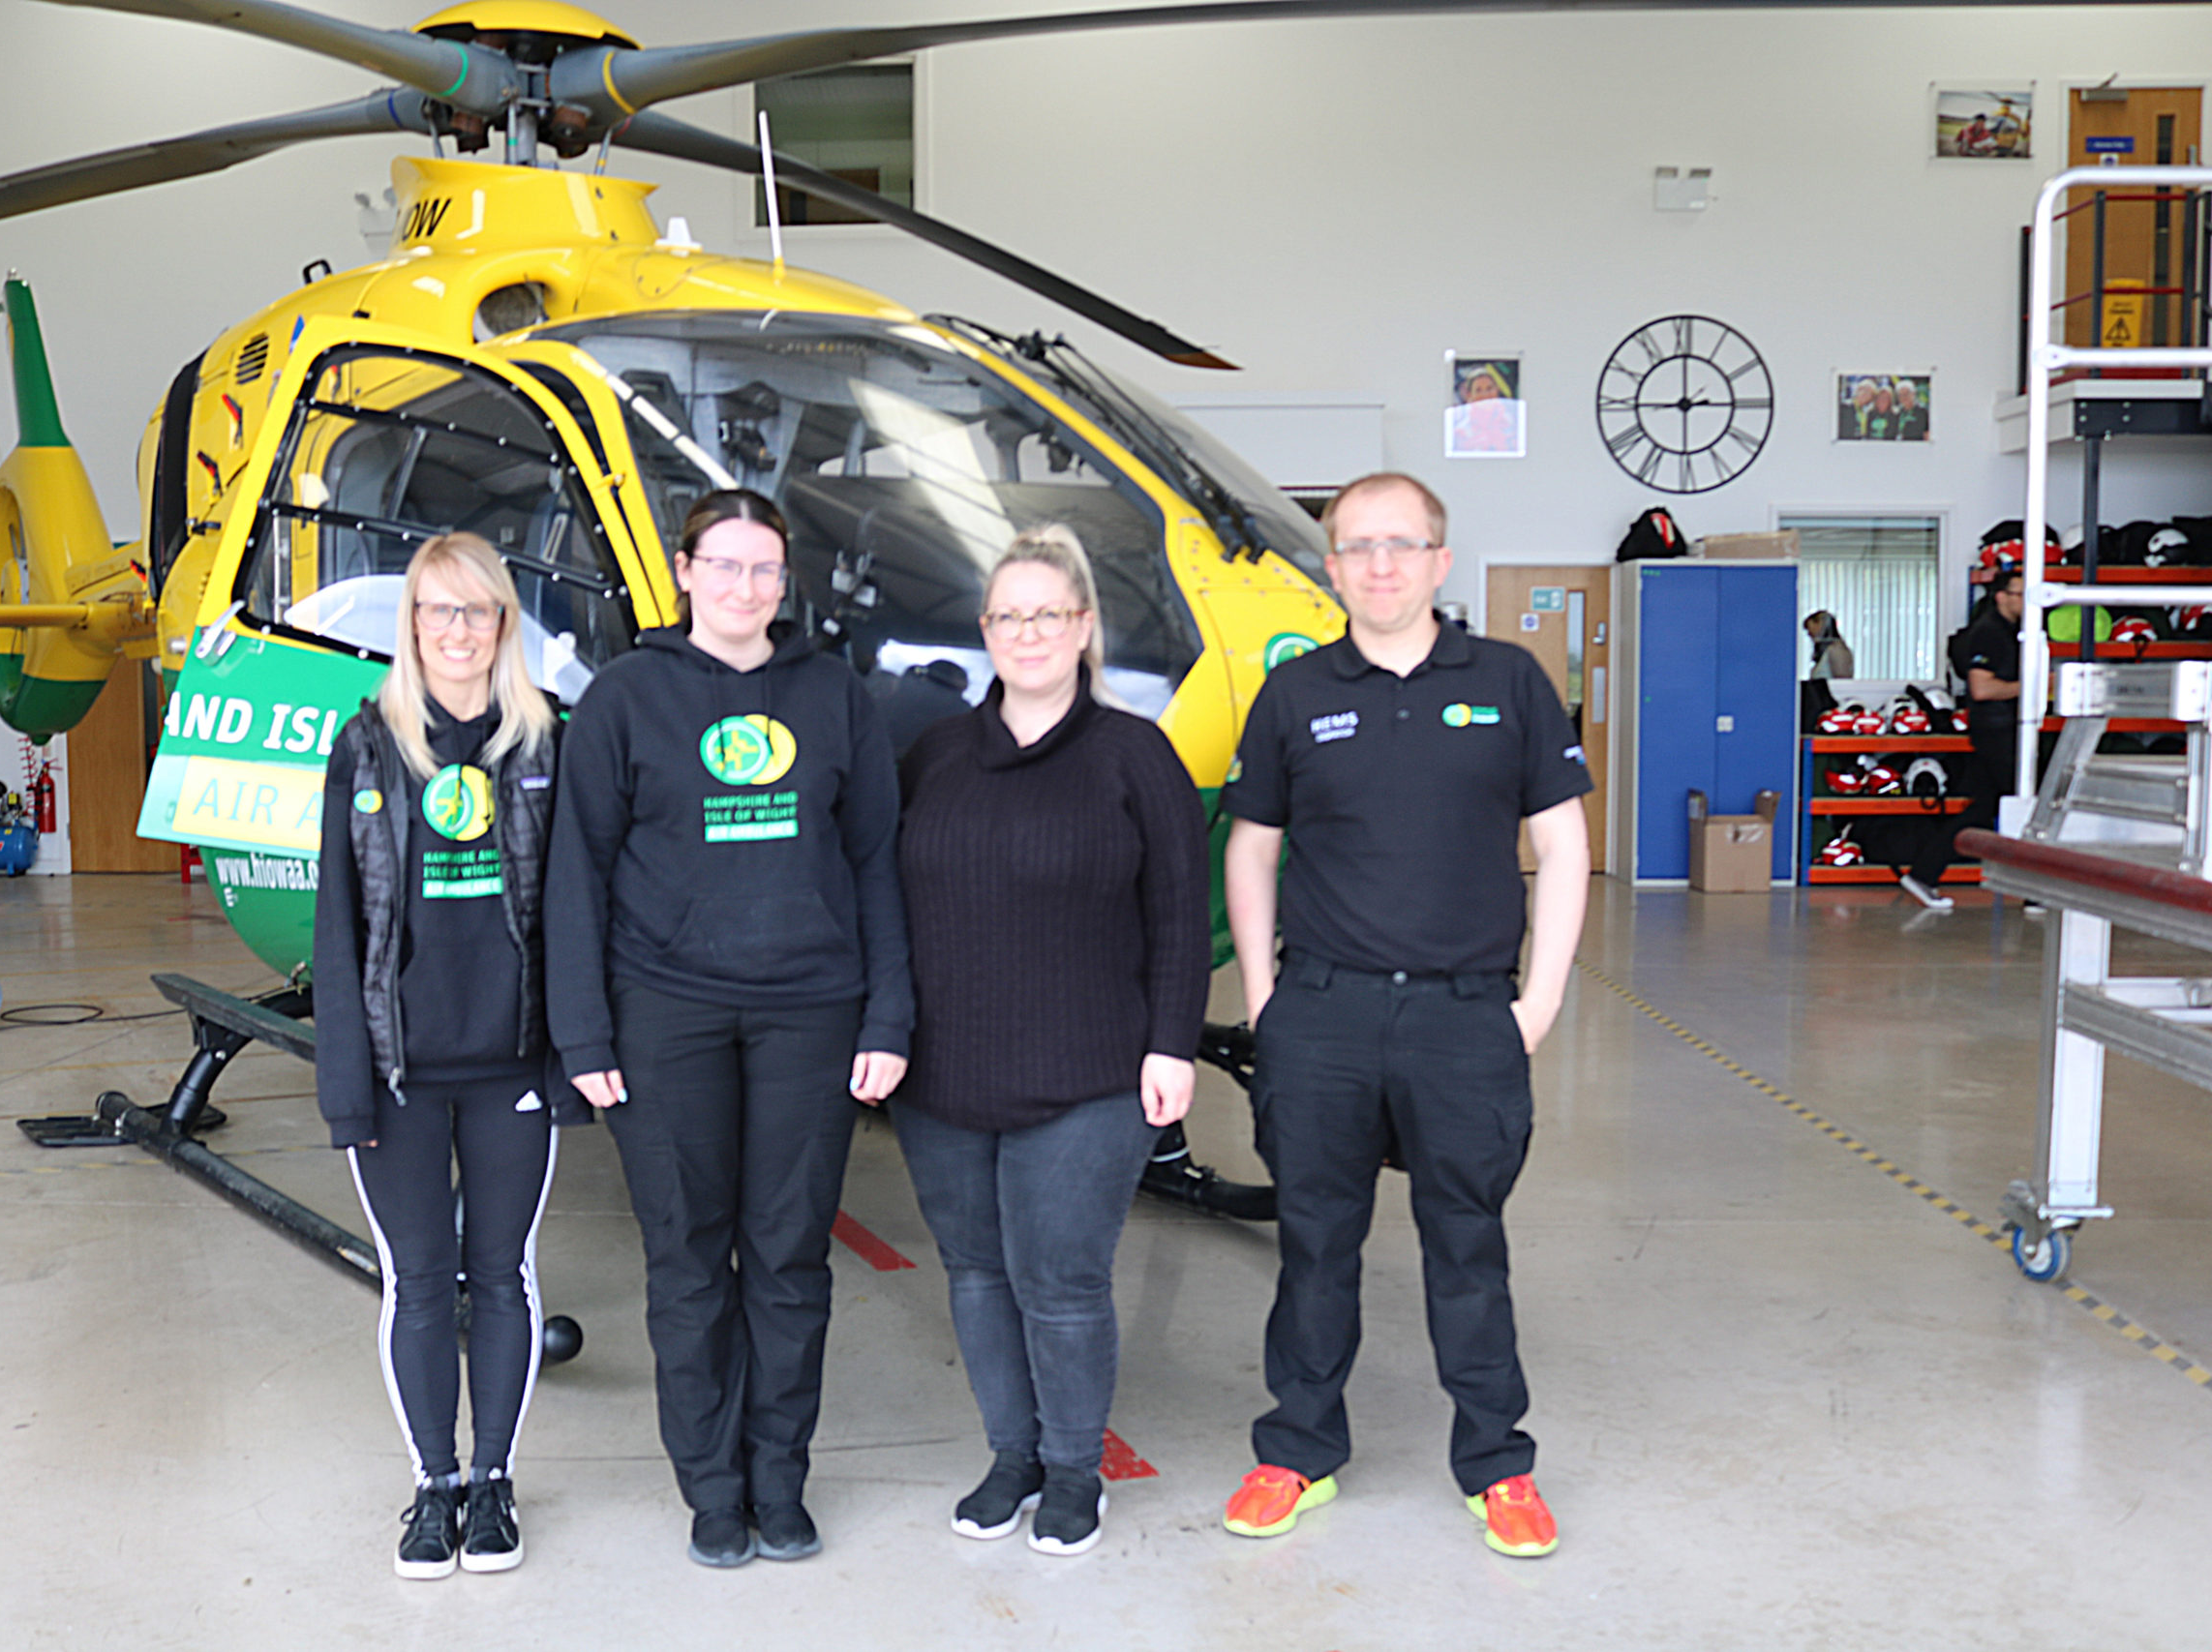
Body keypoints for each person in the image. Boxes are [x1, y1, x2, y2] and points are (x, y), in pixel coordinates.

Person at [1217, 471, 1591, 1558]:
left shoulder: (1510, 683)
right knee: (1314, 1243)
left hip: (1464, 1018)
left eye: (1401, 544)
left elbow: (1561, 845)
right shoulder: (1293, 694)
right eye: (1357, 547)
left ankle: (1495, 1465)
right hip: (1322, 1016)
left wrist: (1539, 1001)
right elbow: (1251, 845)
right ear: (1330, 568)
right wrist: (1262, 994)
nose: (1379, 564)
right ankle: (1296, 1451)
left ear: (1438, 559)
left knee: (1466, 1246)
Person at [550, 488, 912, 1569]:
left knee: (791, 1259)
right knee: (689, 1260)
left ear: (783, 579)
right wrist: (584, 1036)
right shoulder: (625, 698)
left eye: (764, 570)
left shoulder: (835, 696)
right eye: (725, 566)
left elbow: (875, 865)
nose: (745, 588)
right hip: (666, 1013)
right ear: (684, 569)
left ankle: (778, 1479)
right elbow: (579, 874)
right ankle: (712, 1489)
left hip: (812, 1010)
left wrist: (888, 1013)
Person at [890, 525, 1210, 1557]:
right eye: (1008, 615)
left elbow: (1177, 912)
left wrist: (1173, 1045)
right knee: (976, 1273)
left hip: (1089, 1074)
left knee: (1061, 1279)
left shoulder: (1133, 754)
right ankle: (1011, 1455)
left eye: (1048, 613)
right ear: (986, 631)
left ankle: (1074, 1470)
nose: (1027, 631)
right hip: (944, 1076)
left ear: (1082, 628)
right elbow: (888, 904)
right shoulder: (936, 753)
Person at [311, 530, 584, 1579]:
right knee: (418, 1283)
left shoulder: (542, 743)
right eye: (438, 611)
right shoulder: (364, 746)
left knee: (503, 1276)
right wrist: (346, 1084)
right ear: (411, 628)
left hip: (511, 1066)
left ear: (503, 627)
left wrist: (566, 1065)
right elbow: (339, 929)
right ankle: (434, 1486)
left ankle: (495, 1485)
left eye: (477, 612)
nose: (457, 631)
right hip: (399, 1074)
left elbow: (571, 916)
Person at [1903, 569, 2023, 912]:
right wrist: (2032, 687)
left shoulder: (2012, 633)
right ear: (2000, 596)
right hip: (1996, 733)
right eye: (2017, 593)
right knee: (2030, 805)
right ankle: (2036, 893)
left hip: (2005, 731)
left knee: (1982, 810)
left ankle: (1924, 874)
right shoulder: (1988, 633)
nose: (2023, 600)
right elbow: (1981, 689)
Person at [1804, 611, 1856, 679]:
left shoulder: (1837, 650)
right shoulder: (1828, 650)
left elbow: (1843, 683)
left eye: (1810, 629)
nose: (1809, 633)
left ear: (1821, 625)